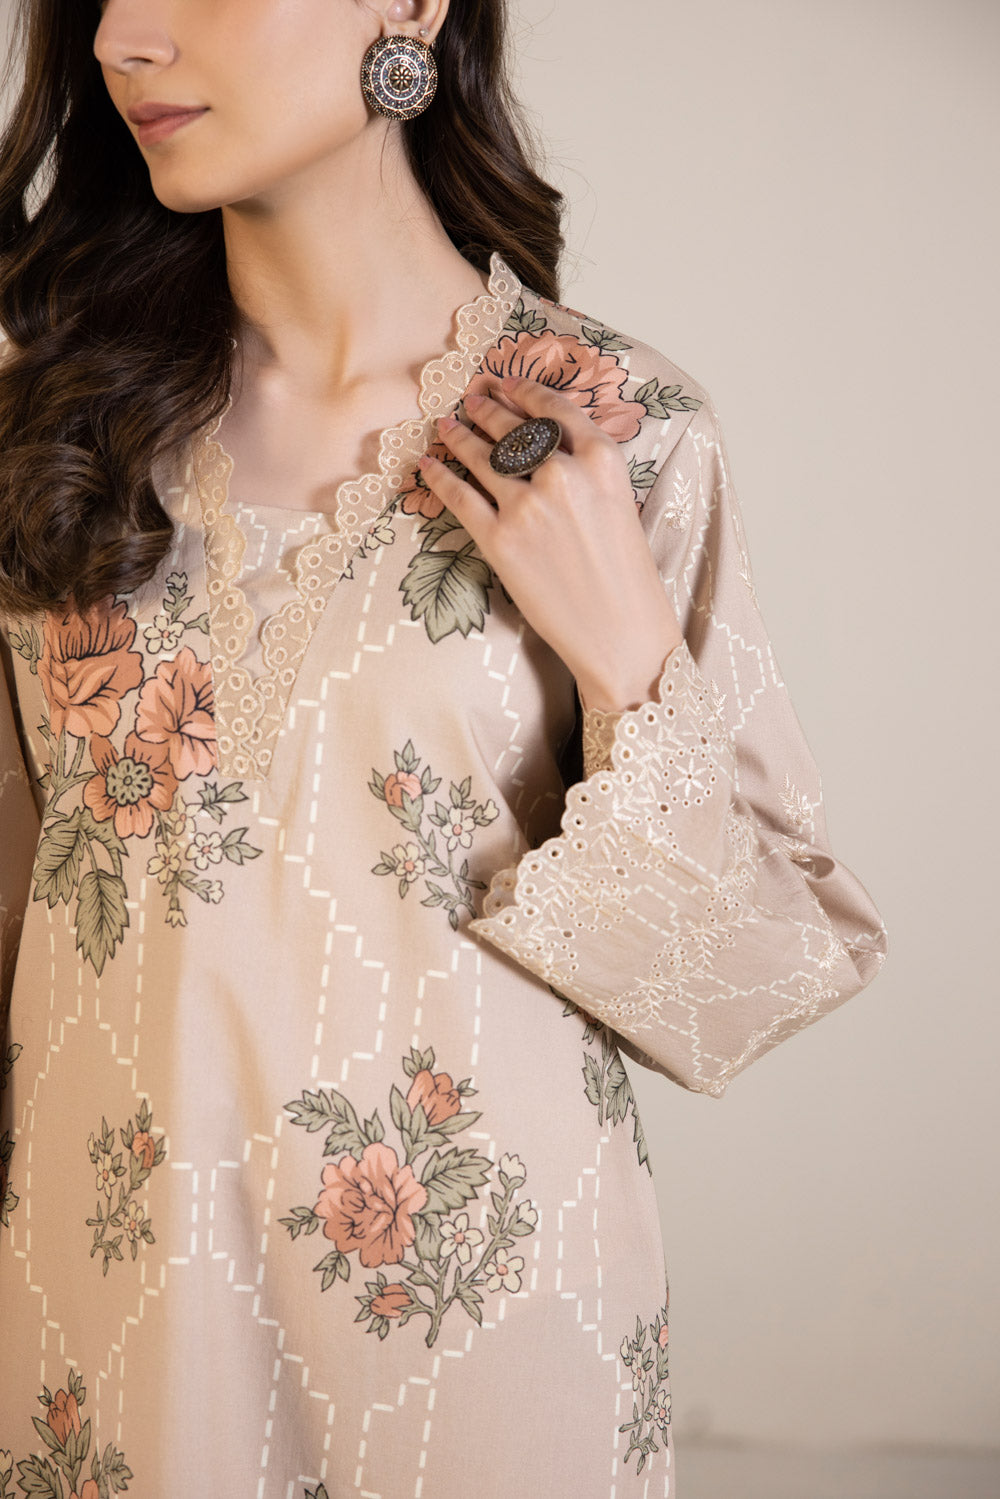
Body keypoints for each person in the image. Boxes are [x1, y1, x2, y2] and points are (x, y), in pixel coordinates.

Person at [0, 0, 888, 1494]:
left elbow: (742, 983)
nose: (125, 38)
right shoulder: (52, 433)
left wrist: (625, 661)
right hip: (115, 1336)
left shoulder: (618, 432)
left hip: (482, 1352)